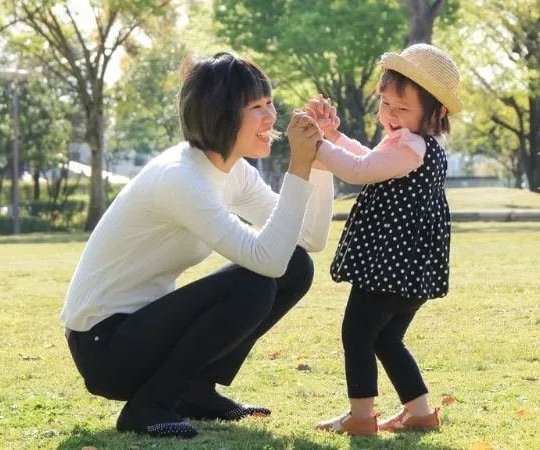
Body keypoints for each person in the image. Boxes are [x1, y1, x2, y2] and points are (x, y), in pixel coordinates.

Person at [60, 52, 334, 439]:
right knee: (253, 284)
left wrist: (319, 162)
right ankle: (149, 405)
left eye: (269, 102)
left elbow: (308, 239)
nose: (271, 117)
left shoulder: (232, 170)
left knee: (297, 265)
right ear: (219, 115)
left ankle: (195, 391)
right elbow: (266, 261)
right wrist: (298, 166)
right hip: (104, 346)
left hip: (142, 331)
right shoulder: (181, 178)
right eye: (256, 107)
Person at [308, 43, 463, 436]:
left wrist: (318, 145)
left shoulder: (411, 146)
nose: (389, 116)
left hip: (389, 268)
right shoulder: (414, 142)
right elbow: (367, 157)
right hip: (407, 269)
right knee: (387, 339)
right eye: (385, 104)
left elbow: (360, 170)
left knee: (357, 333)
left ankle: (361, 417)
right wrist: (335, 137)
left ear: (436, 112)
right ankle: (420, 412)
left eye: (402, 108)